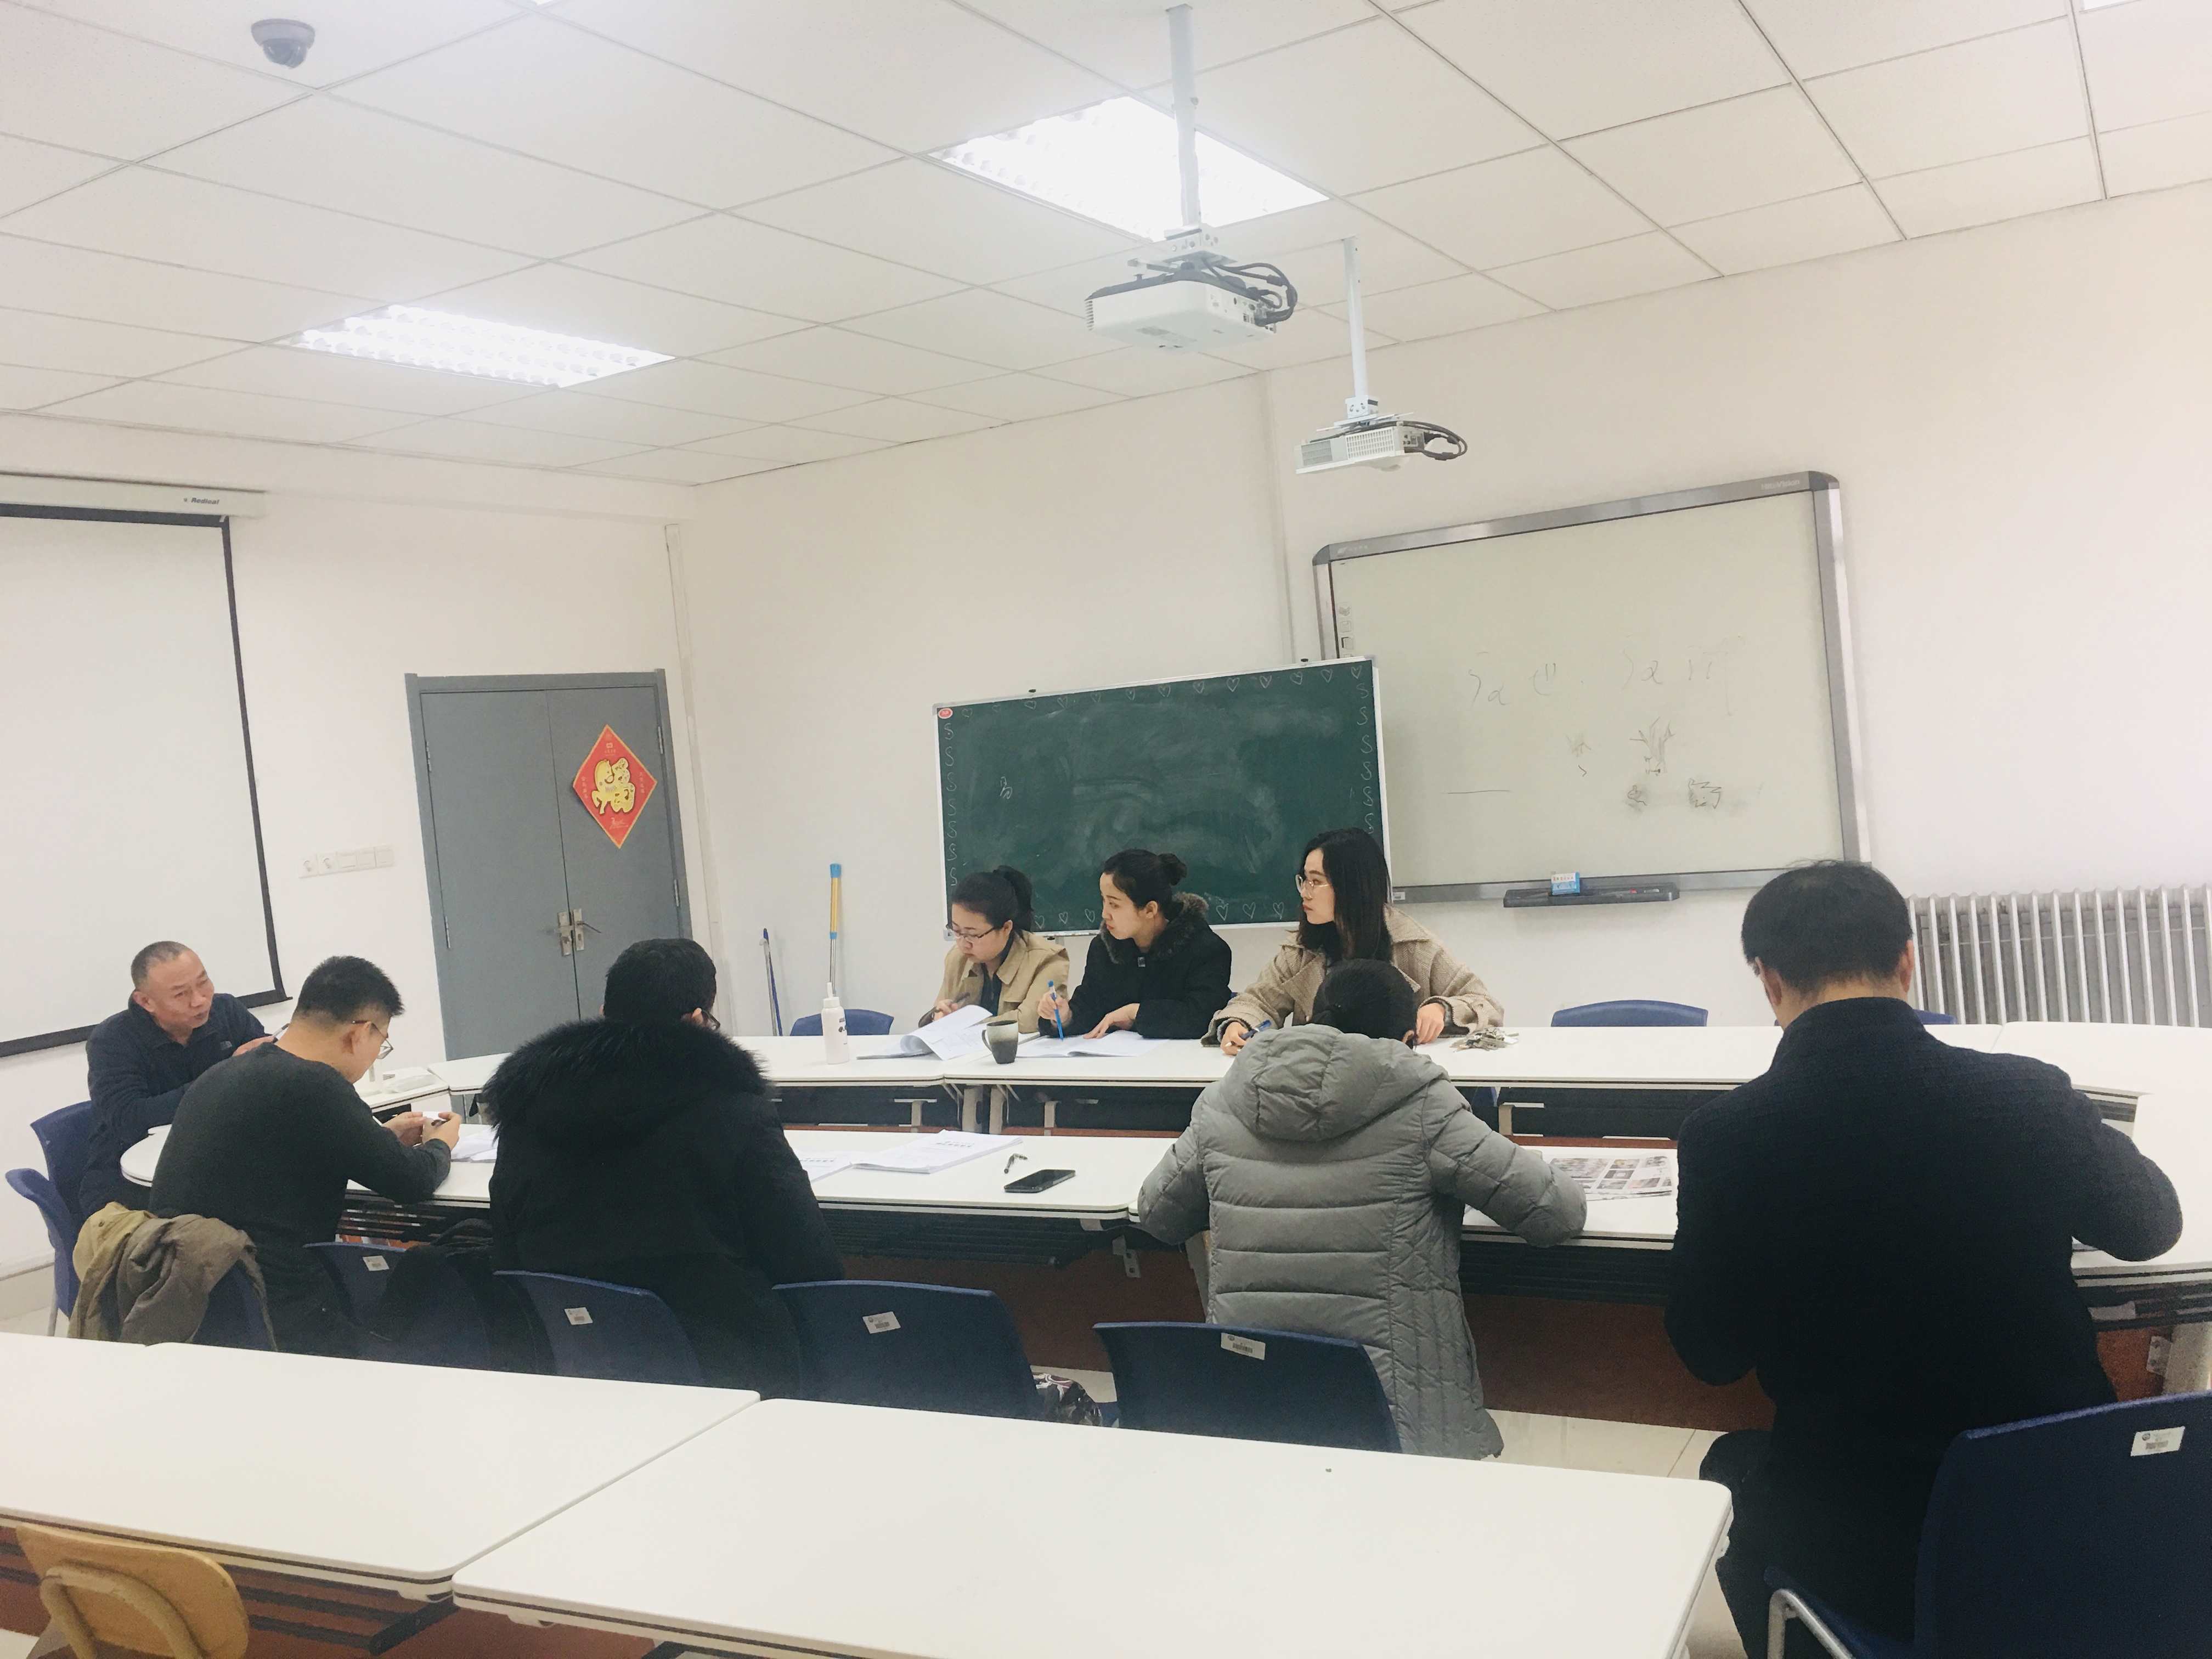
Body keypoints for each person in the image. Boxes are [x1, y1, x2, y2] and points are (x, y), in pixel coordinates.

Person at [1668, 861, 2183, 1654]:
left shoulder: (1728, 1137)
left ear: (1768, 981)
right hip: (2058, 1514)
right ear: (1907, 961)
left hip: (1863, 1547)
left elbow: (1710, 1355)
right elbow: (2151, 1225)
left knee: (1734, 1475)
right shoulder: (2026, 1094)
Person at [1137, 958, 1585, 1457]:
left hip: (1252, 1402)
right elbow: (1556, 1214)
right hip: (1394, 1418)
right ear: (1409, 1040)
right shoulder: (1422, 1105)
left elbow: (1158, 1214)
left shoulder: (1224, 1100)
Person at [486, 938, 842, 1394]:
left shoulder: (528, 1107)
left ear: (604, 1014)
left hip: (576, 1356)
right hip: (729, 1367)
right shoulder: (734, 1111)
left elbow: (507, 1242)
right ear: (696, 1021)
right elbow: (807, 1260)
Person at [149, 956, 456, 1356]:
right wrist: (441, 1143)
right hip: (280, 1305)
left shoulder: (227, 1072)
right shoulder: (316, 1085)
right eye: (381, 1044)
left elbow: (287, 1150)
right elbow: (412, 1181)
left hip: (197, 1297)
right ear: (359, 1033)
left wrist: (379, 1137)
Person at [1211, 828, 1501, 1054]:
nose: (1305, 892)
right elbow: (1258, 1001)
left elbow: (1485, 1003)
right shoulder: (1302, 950)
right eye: (1304, 880)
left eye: (1316, 881)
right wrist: (1239, 1023)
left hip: (1396, 1080)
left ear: (1352, 887)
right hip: (1319, 1079)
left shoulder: (1414, 946)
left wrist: (1442, 1009)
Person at [80, 941, 273, 1216]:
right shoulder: (113, 1040)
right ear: (146, 1002)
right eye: (181, 994)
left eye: (203, 982)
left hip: (218, 1158)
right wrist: (227, 1075)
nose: (200, 1000)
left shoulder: (227, 1011)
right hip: (135, 1181)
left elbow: (264, 1084)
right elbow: (130, 1120)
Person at [1039, 849, 1232, 1040]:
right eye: (1103, 900)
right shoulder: (1104, 948)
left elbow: (1204, 1017)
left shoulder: (1205, 950)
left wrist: (1136, 1013)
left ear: (1150, 910)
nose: (1105, 914)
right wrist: (1065, 1017)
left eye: (1114, 904)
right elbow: (1090, 1005)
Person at [922, 865, 1069, 1035]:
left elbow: (1030, 1021)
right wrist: (938, 1017)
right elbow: (939, 1011)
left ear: (1006, 928)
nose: (963, 944)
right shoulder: (957, 958)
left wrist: (960, 1025)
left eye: (973, 935)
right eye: (956, 931)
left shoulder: (1047, 959)